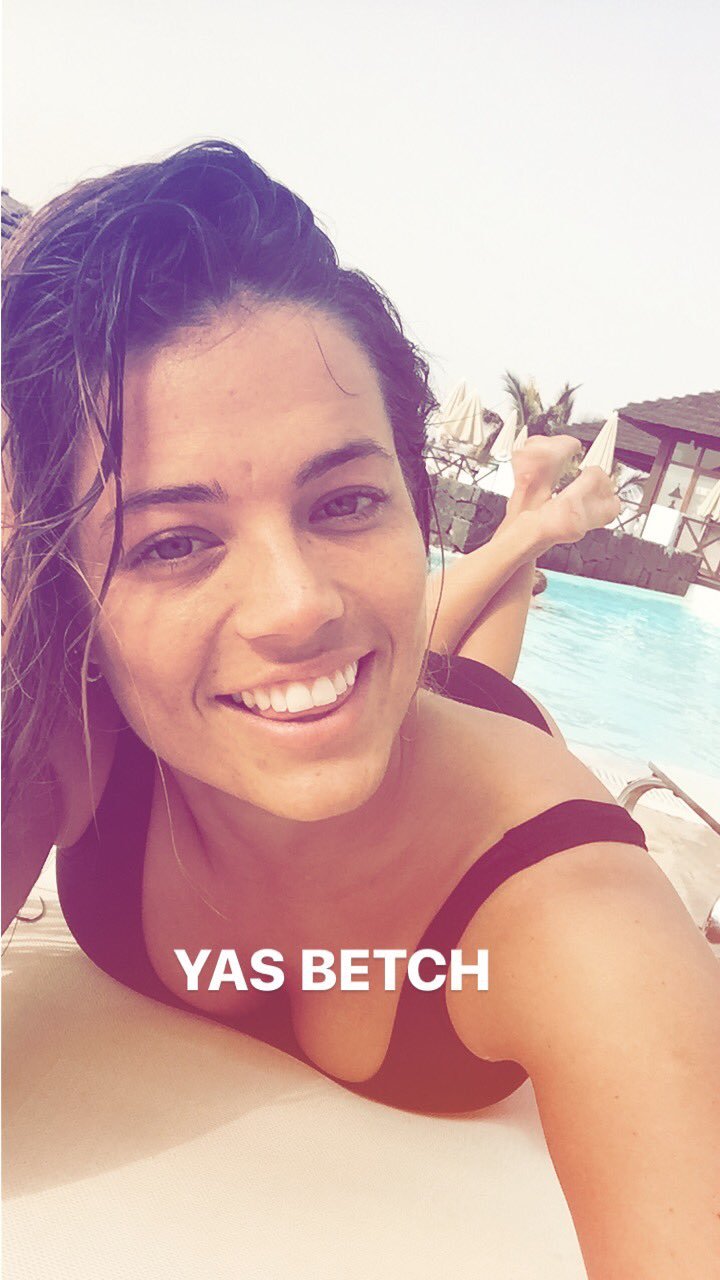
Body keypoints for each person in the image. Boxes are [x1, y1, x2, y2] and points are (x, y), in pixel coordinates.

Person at [2, 141, 718, 1279]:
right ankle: (528, 527)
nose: (296, 603)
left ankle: (527, 532)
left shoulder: (580, 920)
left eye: (345, 501)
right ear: (63, 588)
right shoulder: (69, 726)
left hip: (471, 740)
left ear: (413, 503)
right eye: (173, 541)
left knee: (462, 676)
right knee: (397, 651)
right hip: (374, 690)